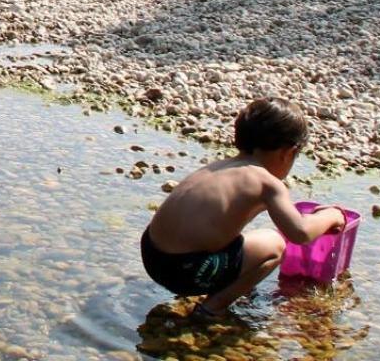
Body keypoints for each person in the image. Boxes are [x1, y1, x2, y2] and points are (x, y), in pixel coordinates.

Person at [141, 97, 346, 317]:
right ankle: (212, 308)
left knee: (237, 236)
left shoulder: (220, 166)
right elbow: (300, 232)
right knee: (274, 244)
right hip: (185, 271)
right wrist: (332, 215)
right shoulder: (267, 183)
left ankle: (226, 282)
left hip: (152, 255)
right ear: (287, 152)